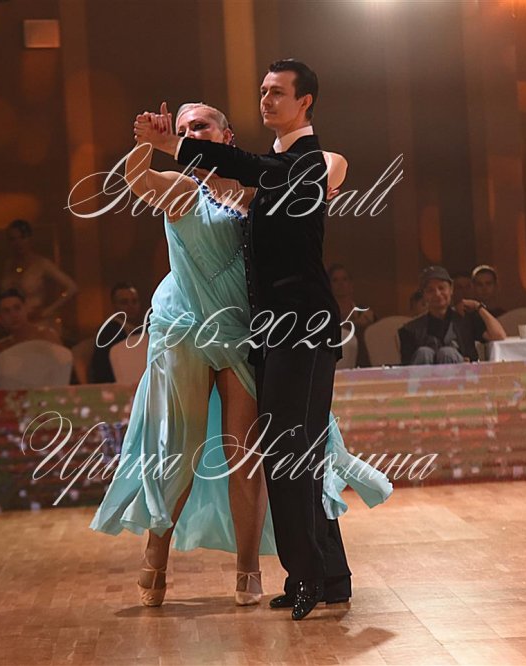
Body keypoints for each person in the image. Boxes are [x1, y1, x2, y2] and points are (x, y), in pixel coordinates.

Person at [95, 95, 390, 617]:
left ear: (226, 137)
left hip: (240, 332)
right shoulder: (182, 188)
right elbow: (137, 180)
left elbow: (333, 165)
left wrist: (309, 176)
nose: (193, 134)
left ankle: (248, 567)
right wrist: (146, 144)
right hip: (185, 328)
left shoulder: (256, 189)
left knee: (246, 454)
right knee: (179, 448)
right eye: (185, 128)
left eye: (202, 126)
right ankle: (156, 550)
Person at [399, 266, 507, 365]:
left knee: (447, 353)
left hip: (463, 376)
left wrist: (478, 306)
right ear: (424, 295)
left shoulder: (466, 319)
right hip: (424, 378)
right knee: (424, 352)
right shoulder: (410, 329)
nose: (437, 294)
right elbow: (406, 367)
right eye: (430, 290)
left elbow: (499, 335)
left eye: (441, 288)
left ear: (451, 289)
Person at [0, 219, 79, 332]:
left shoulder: (41, 264)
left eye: (22, 237)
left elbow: (72, 288)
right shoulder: (8, 265)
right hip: (15, 324)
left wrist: (46, 311)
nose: (18, 243)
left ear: (29, 238)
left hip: (37, 323)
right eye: (13, 239)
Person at [0, 289, 60, 370]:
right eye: (6, 311)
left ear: (26, 308)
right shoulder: (3, 346)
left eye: (17, 308)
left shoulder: (46, 335)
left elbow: (63, 365)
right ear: (0, 317)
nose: (13, 315)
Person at [90, 283, 143, 384]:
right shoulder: (109, 332)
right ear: (114, 305)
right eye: (124, 302)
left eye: (134, 301)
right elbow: (103, 370)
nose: (131, 306)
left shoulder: (140, 329)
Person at [329, 264, 377, 367]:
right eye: (335, 280)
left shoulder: (365, 313)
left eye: (344, 279)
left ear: (351, 284)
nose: (340, 283)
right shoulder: (326, 314)